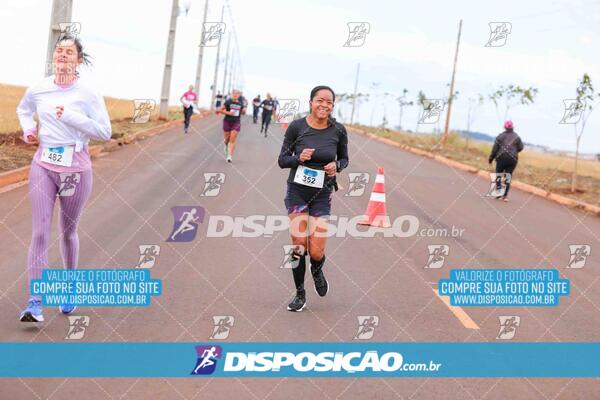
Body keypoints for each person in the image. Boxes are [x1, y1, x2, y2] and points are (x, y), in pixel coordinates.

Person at [16, 34, 112, 322]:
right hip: (44, 163)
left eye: (69, 52)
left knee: (68, 232)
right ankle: (35, 302)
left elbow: (104, 132)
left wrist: (70, 116)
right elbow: (23, 109)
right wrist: (28, 130)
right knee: (40, 232)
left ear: (78, 60)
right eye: (59, 51)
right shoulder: (39, 88)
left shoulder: (88, 94)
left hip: (76, 168)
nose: (63, 55)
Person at [278, 85, 349, 312]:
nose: (324, 105)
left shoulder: (338, 130)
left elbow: (345, 159)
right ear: (311, 102)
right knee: (299, 245)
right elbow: (282, 160)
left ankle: (316, 269)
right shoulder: (297, 127)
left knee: (316, 251)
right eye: (320, 100)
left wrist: (336, 166)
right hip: (297, 191)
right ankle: (300, 294)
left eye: (329, 102)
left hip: (322, 193)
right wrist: (298, 158)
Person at [489, 120, 524, 202]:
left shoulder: (500, 136)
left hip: (501, 158)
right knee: (508, 176)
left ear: (505, 127)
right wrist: (514, 151)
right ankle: (505, 196)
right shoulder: (517, 137)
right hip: (513, 159)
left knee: (498, 175)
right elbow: (521, 147)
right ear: (513, 127)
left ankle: (498, 193)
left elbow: (495, 149)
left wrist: (491, 158)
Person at [220, 89, 245, 163]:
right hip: (227, 121)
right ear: (232, 94)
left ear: (239, 95)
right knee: (227, 139)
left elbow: (242, 111)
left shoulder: (241, 103)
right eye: (234, 93)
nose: (235, 95)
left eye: (237, 94)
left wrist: (243, 111)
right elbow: (221, 110)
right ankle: (226, 145)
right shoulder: (228, 102)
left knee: (233, 138)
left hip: (236, 122)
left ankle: (229, 155)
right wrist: (228, 113)